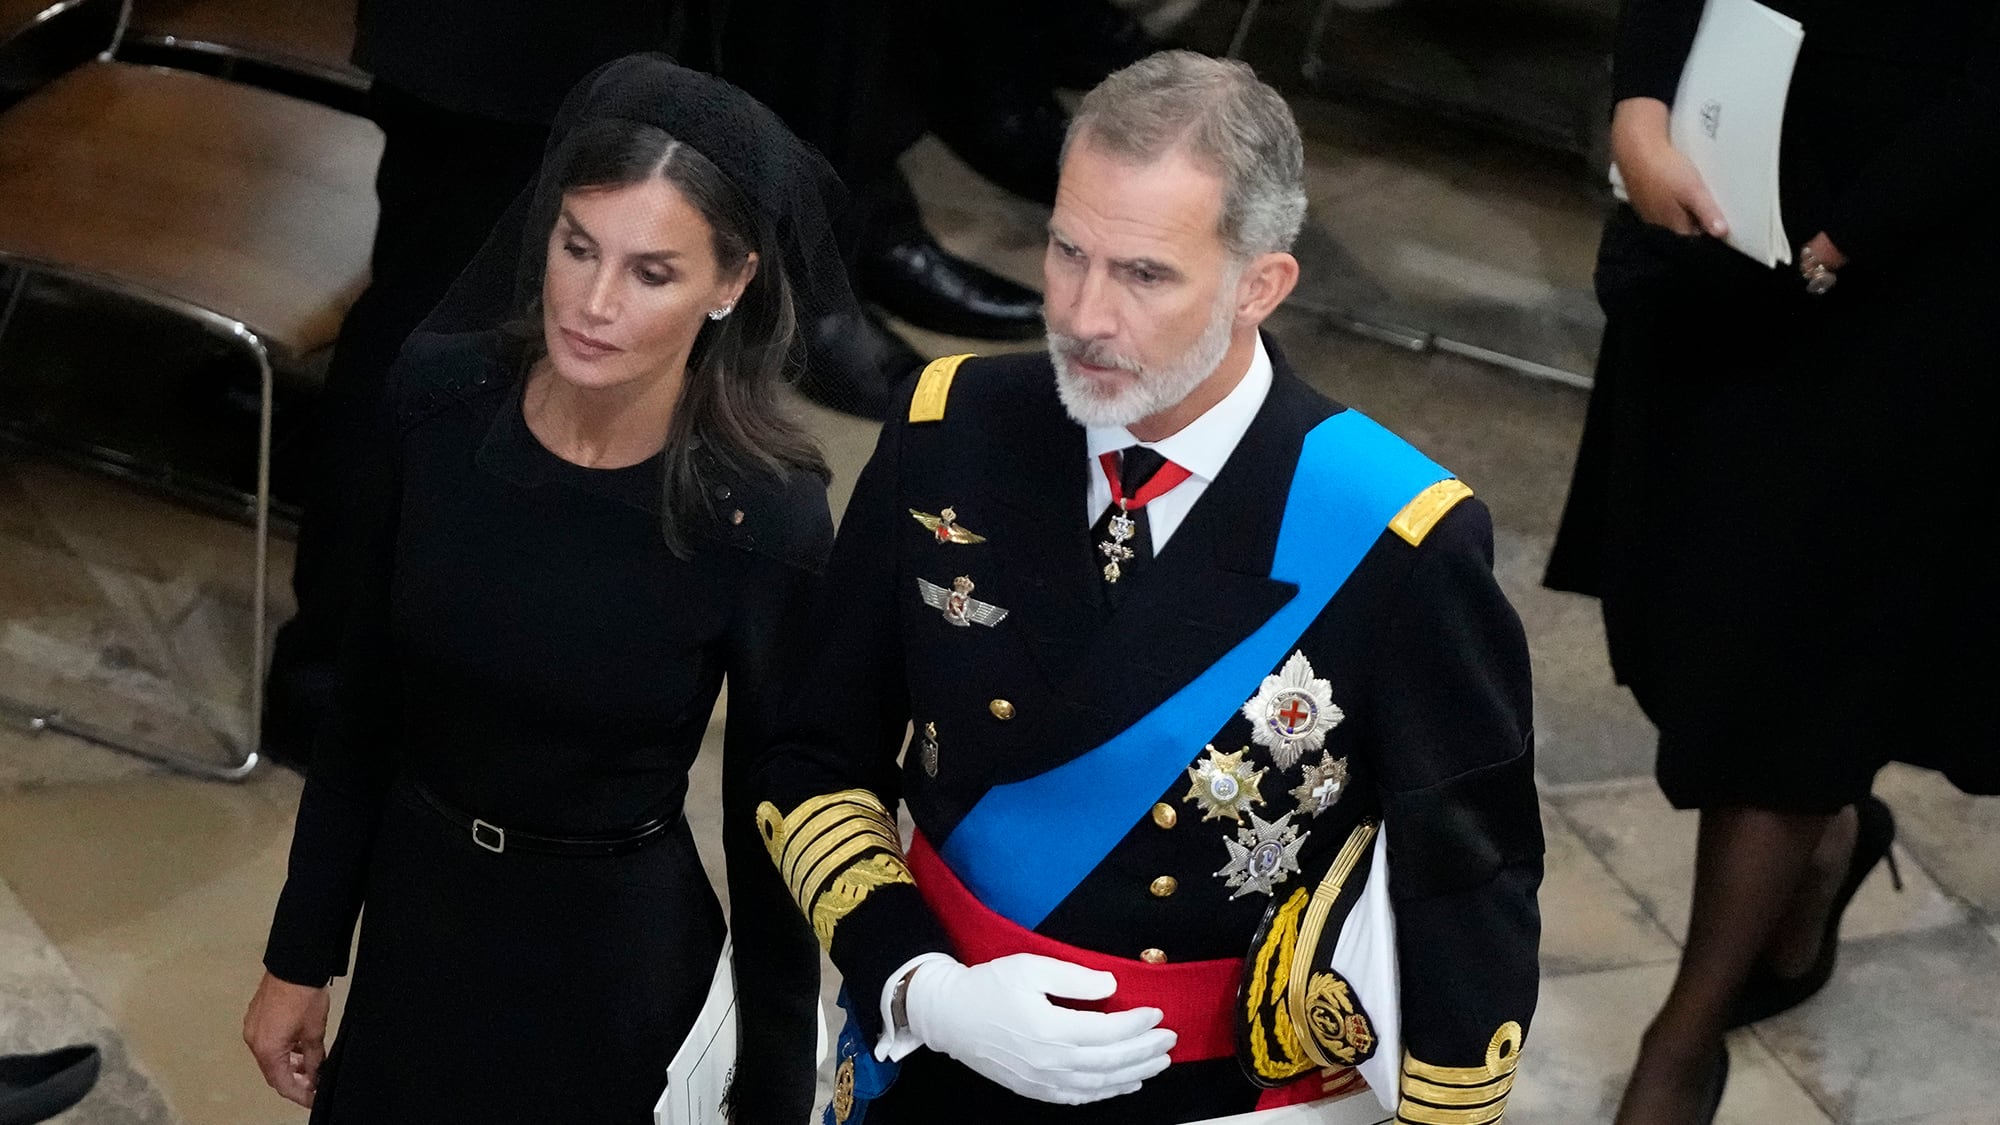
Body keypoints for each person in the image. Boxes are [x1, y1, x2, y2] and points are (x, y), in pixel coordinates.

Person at [753, 50, 1543, 1124]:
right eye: (1066, 253)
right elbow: (810, 757)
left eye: (1143, 274)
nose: (1083, 315)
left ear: (1259, 284)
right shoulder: (950, 430)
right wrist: (921, 987)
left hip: (1210, 1099)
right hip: (934, 1051)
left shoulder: (1395, 537)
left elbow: (1467, 889)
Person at [240, 56, 832, 1123]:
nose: (595, 304)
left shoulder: (760, 517)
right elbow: (364, 711)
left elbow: (775, 825)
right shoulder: (438, 404)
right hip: (418, 923)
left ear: (729, 285)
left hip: (609, 966)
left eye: (652, 273)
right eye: (576, 248)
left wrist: (777, 1090)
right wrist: (301, 952)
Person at [1545, 2, 2000, 1121]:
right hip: (1715, 192)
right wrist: (1640, 115)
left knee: (1796, 661)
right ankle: (1823, 843)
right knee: (1687, 618)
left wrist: (1847, 237)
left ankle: (1680, 1043)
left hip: (1927, 245)